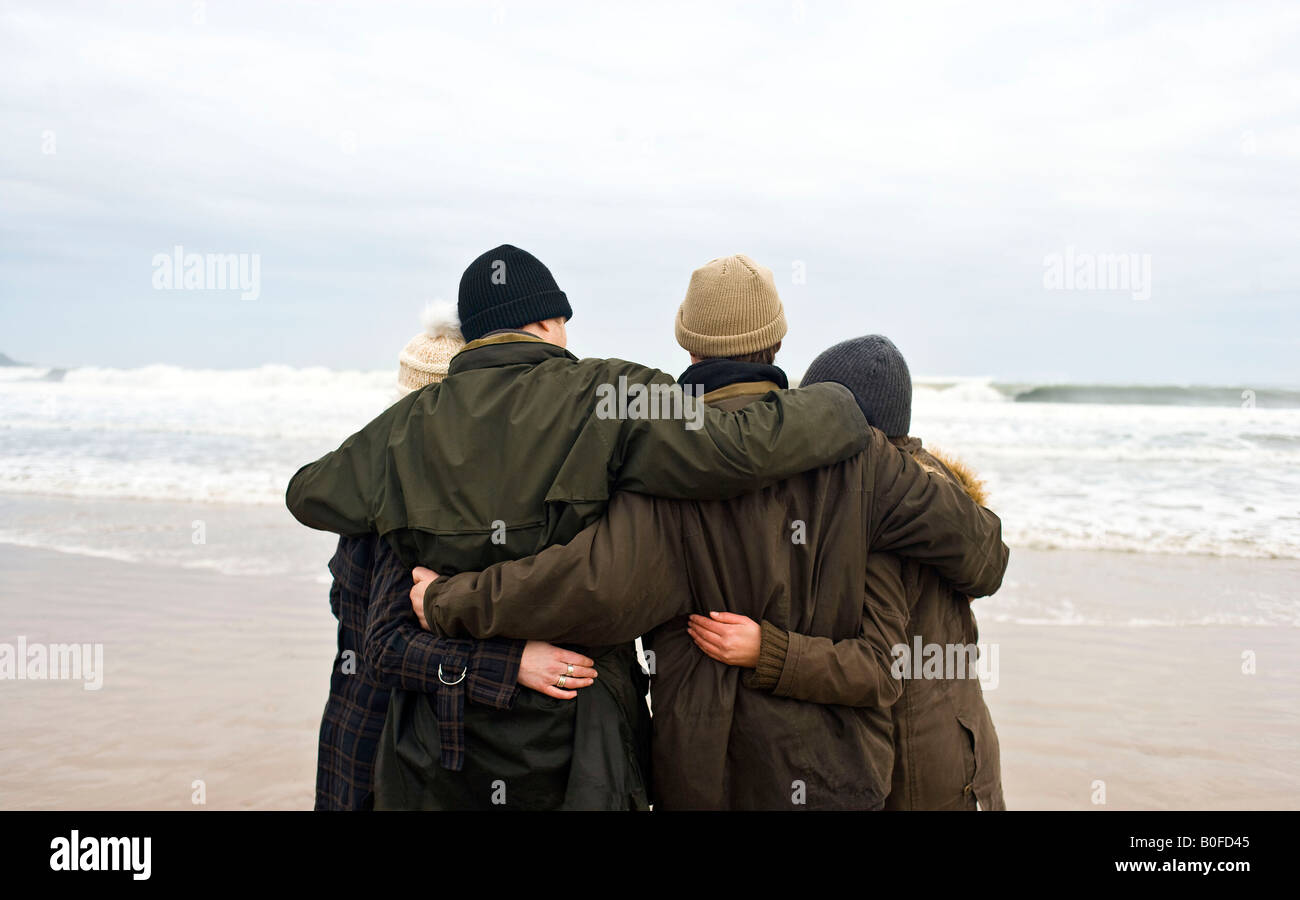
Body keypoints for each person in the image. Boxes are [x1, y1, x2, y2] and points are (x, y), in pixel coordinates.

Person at [287, 245, 875, 809]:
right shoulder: (612, 393)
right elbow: (739, 451)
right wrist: (837, 404)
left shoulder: (404, 427)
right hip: (574, 739)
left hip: (439, 750)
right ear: (549, 321)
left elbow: (309, 493)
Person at [412, 257, 1010, 809]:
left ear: (688, 343)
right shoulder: (863, 455)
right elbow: (985, 558)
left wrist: (448, 600)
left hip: (706, 770)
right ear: (778, 338)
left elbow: (590, 586)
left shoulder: (660, 460)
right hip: (838, 773)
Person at [313, 302, 598, 810]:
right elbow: (387, 647)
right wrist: (511, 665)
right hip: (385, 753)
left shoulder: (370, 487)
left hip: (361, 736)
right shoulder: (404, 510)